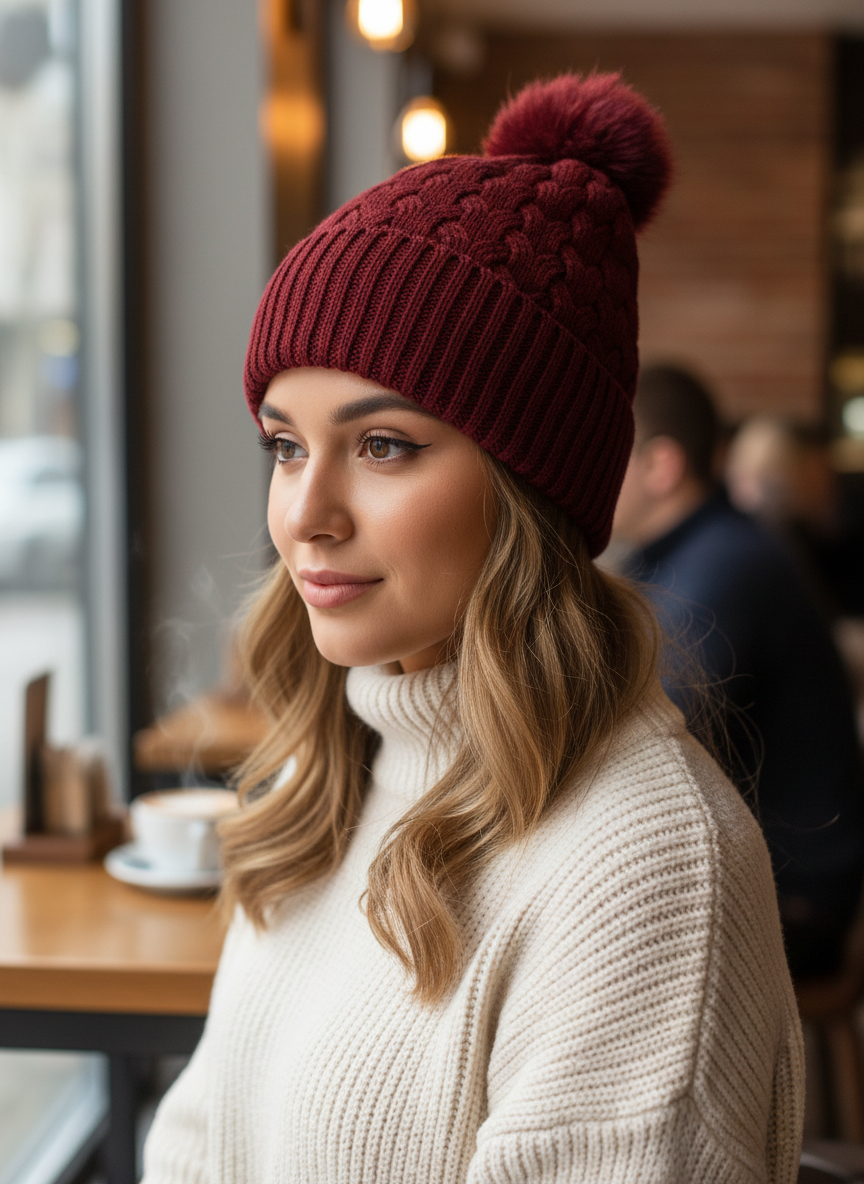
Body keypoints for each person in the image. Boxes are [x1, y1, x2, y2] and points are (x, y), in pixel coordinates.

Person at [143, 76, 803, 1183]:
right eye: (285, 445)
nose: (304, 515)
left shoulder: (648, 866)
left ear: (526, 484)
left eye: (385, 443)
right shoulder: (330, 775)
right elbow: (198, 1145)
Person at [612, 364, 864, 983]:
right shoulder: (676, 555)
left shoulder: (726, 564)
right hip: (751, 872)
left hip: (796, 898)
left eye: (602, 449)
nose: (579, 471)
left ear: (661, 466)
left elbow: (641, 737)